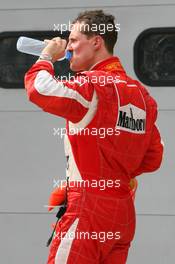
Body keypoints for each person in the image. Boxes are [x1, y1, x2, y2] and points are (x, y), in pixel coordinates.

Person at [24, 10, 163, 264]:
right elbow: (153, 158)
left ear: (97, 42)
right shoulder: (142, 96)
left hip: (87, 210)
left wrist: (48, 55)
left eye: (74, 40)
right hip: (122, 214)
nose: (69, 45)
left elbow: (39, 88)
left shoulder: (92, 85)